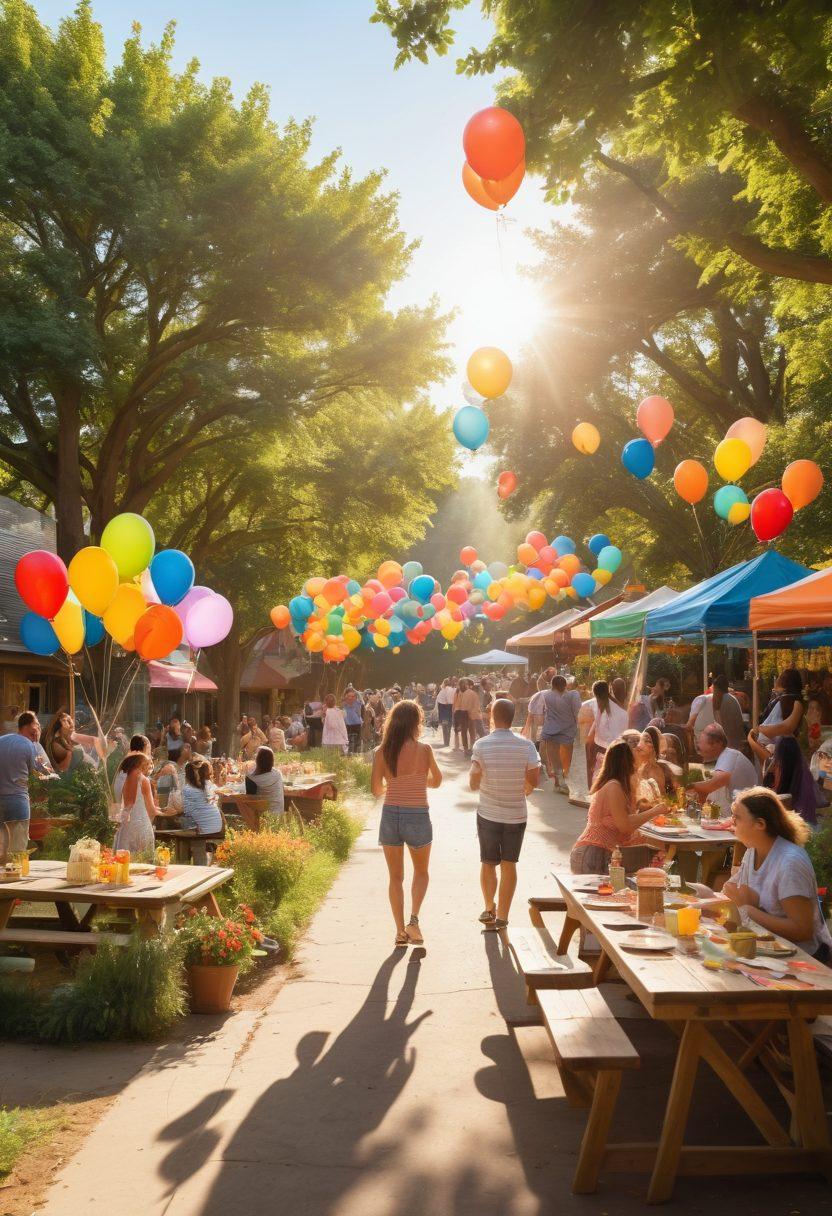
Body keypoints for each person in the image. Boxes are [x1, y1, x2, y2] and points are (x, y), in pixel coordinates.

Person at [721, 788, 832, 960]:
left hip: (803, 958)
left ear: (760, 824)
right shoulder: (752, 851)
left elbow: (803, 930)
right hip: (764, 949)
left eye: (737, 817)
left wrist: (749, 911)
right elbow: (731, 892)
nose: (731, 821)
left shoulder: (790, 862)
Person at [371, 700, 442, 947]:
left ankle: (400, 931)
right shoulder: (425, 750)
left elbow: (376, 789)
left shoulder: (382, 751)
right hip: (417, 815)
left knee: (395, 877)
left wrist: (394, 784)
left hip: (391, 814)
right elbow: (437, 781)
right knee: (421, 872)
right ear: (416, 723)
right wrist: (419, 781)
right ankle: (414, 921)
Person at [470, 698, 540, 930]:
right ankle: (503, 917)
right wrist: (521, 787)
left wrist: (478, 777)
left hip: (488, 813)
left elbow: (473, 782)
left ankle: (489, 907)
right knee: (509, 865)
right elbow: (533, 781)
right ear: (512, 717)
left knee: (488, 863)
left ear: (492, 717)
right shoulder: (526, 745)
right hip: (516, 816)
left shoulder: (481, 745)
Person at [570, 738, 668, 874]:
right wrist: (655, 811)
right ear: (627, 762)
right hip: (593, 854)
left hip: (599, 854)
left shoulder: (618, 786)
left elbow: (627, 825)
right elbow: (625, 825)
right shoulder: (613, 786)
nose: (638, 765)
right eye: (635, 759)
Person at [0, 711, 53, 860]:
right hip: (18, 803)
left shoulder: (1, 740)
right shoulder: (29, 745)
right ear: (31, 726)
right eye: (37, 725)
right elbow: (41, 772)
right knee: (17, 853)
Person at [748, 732, 819, 825]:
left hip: (790, 822)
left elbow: (774, 791)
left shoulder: (780, 768)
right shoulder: (803, 770)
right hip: (805, 821)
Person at [690, 723, 757, 814]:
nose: (698, 746)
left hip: (749, 811)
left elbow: (712, 785)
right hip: (745, 807)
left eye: (700, 742)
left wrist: (689, 786)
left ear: (717, 743)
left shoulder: (729, 755)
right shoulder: (726, 756)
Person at [114, 752, 163, 860]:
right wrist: (166, 812)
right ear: (141, 764)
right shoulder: (143, 780)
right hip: (141, 825)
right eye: (147, 764)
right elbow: (151, 810)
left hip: (126, 825)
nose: (148, 768)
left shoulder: (122, 778)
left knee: (124, 860)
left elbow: (128, 805)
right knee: (143, 862)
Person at [539, 675, 582, 794]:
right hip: (568, 731)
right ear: (565, 685)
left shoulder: (546, 695)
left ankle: (559, 783)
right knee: (568, 760)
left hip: (550, 731)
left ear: (552, 685)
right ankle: (564, 783)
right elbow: (577, 712)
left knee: (555, 759)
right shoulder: (573, 695)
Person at [686, 674, 746, 750]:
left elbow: (689, 725)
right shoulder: (733, 699)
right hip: (736, 746)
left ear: (715, 688)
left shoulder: (705, 700)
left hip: (725, 748)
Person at [586, 679, 629, 779]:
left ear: (595, 695)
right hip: (618, 749)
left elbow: (591, 736)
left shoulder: (595, 707)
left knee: (599, 777)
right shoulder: (622, 711)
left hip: (602, 749)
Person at [755, 668, 805, 750]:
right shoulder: (778, 699)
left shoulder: (795, 702)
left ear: (784, 682)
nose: (777, 679)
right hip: (767, 745)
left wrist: (761, 728)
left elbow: (787, 727)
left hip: (776, 748)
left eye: (780, 677)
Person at [181, 757, 224, 835]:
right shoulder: (209, 785)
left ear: (187, 776)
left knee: (179, 821)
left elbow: (186, 811)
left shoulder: (188, 789)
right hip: (217, 827)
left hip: (204, 830)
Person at [636, 725, 678, 800]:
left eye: (648, 741)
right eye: (640, 740)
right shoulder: (636, 767)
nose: (641, 744)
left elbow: (661, 800)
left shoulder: (654, 771)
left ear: (655, 748)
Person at [245, 746, 285, 818]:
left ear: (258, 760)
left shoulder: (251, 779)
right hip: (278, 815)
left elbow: (249, 800)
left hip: (261, 817)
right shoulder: (278, 774)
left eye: (256, 754)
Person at [461, 679, 484, 749]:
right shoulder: (474, 694)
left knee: (467, 733)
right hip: (474, 716)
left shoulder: (464, 693)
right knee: (479, 734)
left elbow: (463, 705)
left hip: (465, 714)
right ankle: (475, 748)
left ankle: (467, 748)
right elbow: (477, 706)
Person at [435, 679, 455, 748]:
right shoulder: (452, 690)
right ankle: (448, 741)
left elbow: (439, 704)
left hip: (443, 712)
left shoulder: (442, 692)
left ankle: (445, 742)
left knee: (444, 727)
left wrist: (439, 717)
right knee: (449, 726)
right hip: (450, 710)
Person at [342, 689, 364, 754]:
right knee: (348, 742)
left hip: (357, 725)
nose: (350, 698)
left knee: (357, 743)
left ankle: (356, 754)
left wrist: (354, 690)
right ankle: (349, 755)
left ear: (355, 697)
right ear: (346, 696)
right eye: (349, 696)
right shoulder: (343, 704)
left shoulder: (357, 703)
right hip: (347, 725)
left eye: (353, 696)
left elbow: (361, 697)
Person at [452, 680, 470, 753]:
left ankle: (457, 746)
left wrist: (453, 710)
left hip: (457, 711)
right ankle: (464, 746)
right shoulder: (464, 692)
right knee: (464, 729)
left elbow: (454, 702)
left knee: (457, 730)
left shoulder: (456, 692)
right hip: (462, 711)